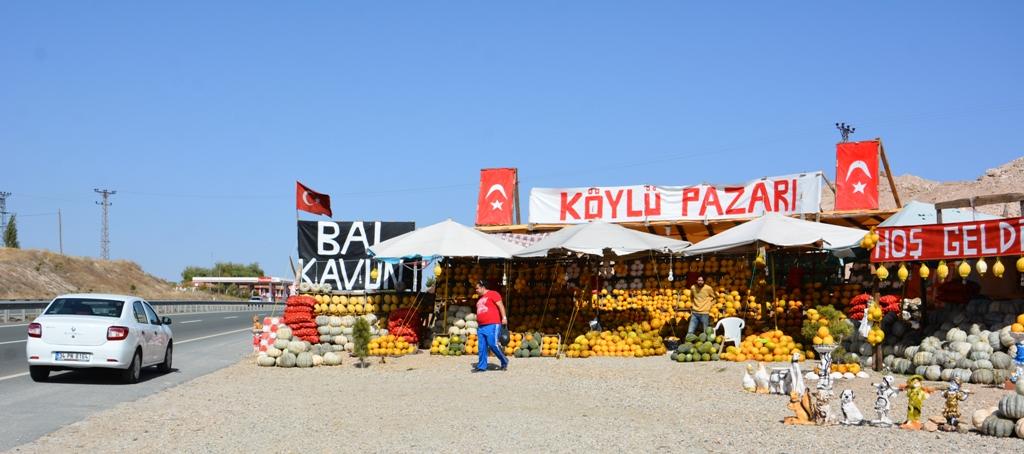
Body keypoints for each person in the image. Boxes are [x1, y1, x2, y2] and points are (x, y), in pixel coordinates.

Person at [472, 279, 509, 373]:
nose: (475, 290)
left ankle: (504, 361)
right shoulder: (479, 299)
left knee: (493, 344)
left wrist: (504, 317)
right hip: (481, 326)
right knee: (482, 347)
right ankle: (481, 366)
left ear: (483, 287)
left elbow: (501, 306)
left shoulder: (493, 294)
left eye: (477, 288)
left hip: (493, 324)